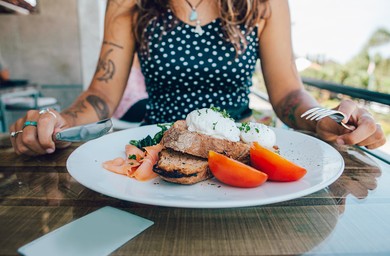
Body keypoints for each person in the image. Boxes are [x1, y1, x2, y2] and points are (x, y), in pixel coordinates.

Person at [9, 0, 386, 156]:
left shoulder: (262, 3)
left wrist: (325, 118)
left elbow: (288, 94)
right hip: (153, 149)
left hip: (238, 151)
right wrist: (62, 119)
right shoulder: (129, 2)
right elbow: (100, 95)